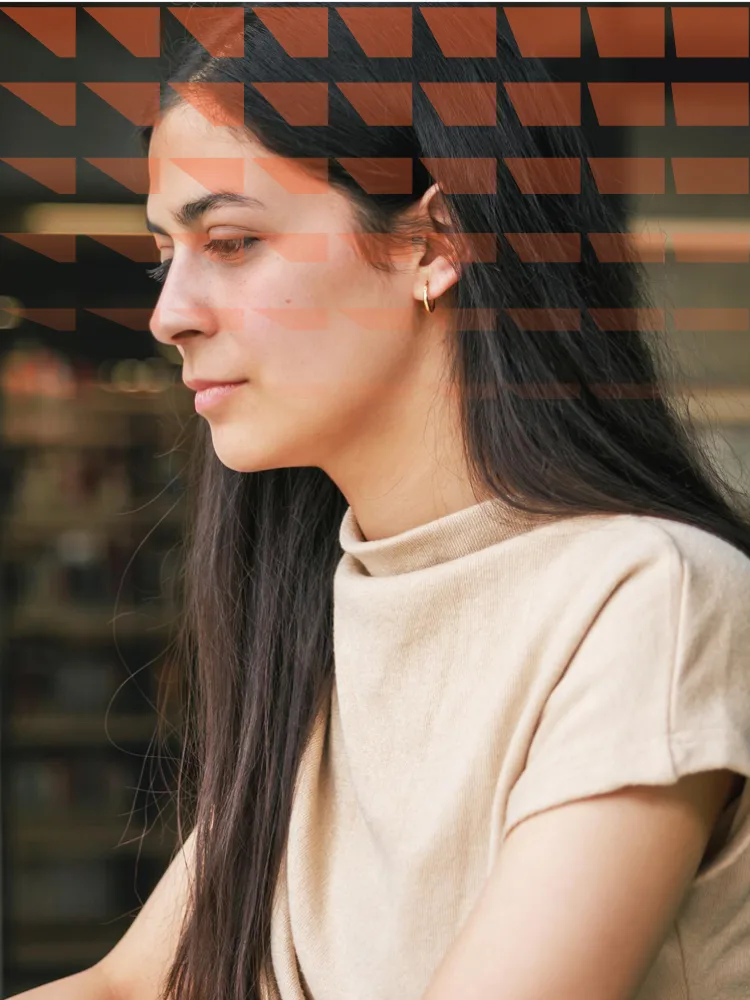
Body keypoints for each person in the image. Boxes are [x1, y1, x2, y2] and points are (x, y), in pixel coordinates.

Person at [12, 6, 750, 1000]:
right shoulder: (335, 603)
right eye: (164, 255)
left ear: (433, 244)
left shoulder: (648, 598)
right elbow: (135, 985)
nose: (167, 313)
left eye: (230, 240)